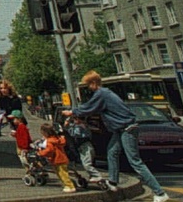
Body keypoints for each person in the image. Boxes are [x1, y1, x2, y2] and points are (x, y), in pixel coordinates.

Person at [64, 70, 169, 202]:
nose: (88, 88)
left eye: (88, 85)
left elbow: (89, 108)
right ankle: (113, 183)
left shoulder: (101, 94)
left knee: (135, 161)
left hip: (127, 128)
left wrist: (72, 112)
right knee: (112, 152)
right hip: (120, 129)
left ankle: (160, 193)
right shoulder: (106, 93)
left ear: (94, 83)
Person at [62, 112, 103, 184]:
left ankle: (97, 176)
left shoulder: (81, 126)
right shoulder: (78, 125)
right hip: (82, 147)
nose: (74, 121)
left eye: (75, 119)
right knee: (85, 162)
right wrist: (67, 124)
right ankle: (92, 176)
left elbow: (75, 133)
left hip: (86, 146)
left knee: (87, 164)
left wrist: (68, 126)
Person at [38, 122, 76, 193]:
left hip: (57, 159)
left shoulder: (50, 141)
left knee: (62, 174)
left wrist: (40, 153)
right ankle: (67, 185)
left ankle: (70, 186)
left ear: (45, 133)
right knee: (63, 173)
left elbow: (49, 150)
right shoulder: (57, 139)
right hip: (62, 158)